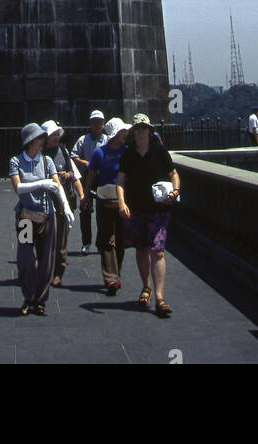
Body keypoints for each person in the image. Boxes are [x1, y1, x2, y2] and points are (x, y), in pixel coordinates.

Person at [117, 114, 180, 318]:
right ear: (134, 132)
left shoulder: (159, 151)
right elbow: (120, 181)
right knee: (142, 248)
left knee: (158, 251)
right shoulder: (128, 155)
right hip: (137, 208)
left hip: (159, 209)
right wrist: (122, 202)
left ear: (149, 130)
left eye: (145, 127)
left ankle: (160, 298)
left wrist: (176, 191)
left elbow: (173, 174)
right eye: (138, 128)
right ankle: (146, 287)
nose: (142, 131)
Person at [9, 123, 73, 316]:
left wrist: (66, 206)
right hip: (27, 216)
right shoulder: (16, 161)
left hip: (48, 215)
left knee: (47, 259)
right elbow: (19, 188)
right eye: (39, 138)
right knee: (26, 258)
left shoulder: (47, 161)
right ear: (31, 141)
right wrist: (41, 183)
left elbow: (56, 186)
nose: (43, 141)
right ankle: (28, 296)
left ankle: (40, 300)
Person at [83, 117, 130, 295]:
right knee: (106, 239)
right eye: (122, 131)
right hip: (104, 200)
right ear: (115, 134)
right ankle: (111, 278)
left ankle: (116, 275)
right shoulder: (99, 153)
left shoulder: (127, 152)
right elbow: (91, 175)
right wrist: (85, 195)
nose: (125, 134)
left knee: (120, 239)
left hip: (123, 200)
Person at [41, 120, 85, 287]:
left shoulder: (63, 151)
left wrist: (68, 176)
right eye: (53, 135)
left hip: (62, 199)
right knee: (44, 237)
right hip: (45, 199)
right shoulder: (39, 153)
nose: (56, 137)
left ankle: (59, 271)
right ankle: (45, 268)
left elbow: (72, 173)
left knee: (61, 238)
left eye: (57, 134)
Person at [72, 110, 107, 253]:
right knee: (85, 210)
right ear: (90, 124)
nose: (97, 124)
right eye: (94, 122)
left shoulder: (108, 139)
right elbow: (73, 156)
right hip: (87, 176)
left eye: (99, 122)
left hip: (102, 177)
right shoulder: (83, 139)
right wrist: (85, 163)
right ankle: (86, 242)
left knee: (103, 212)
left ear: (103, 124)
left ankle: (101, 242)